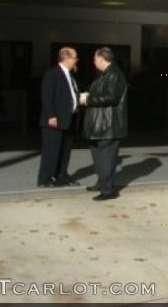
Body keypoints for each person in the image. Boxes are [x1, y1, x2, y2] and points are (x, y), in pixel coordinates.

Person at [80, 47, 128, 201]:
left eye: (95, 59)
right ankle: (102, 183)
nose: (94, 62)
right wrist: (89, 95)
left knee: (106, 157)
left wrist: (88, 99)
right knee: (99, 155)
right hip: (100, 124)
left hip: (109, 125)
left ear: (101, 59)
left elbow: (111, 97)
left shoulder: (114, 74)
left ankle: (108, 190)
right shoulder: (105, 74)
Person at [37, 47, 81, 188]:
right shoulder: (53, 74)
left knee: (65, 149)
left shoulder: (70, 75)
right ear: (66, 58)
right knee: (51, 149)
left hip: (69, 119)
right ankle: (45, 178)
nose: (76, 60)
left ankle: (61, 175)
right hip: (55, 119)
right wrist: (51, 115)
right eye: (74, 57)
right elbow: (47, 96)